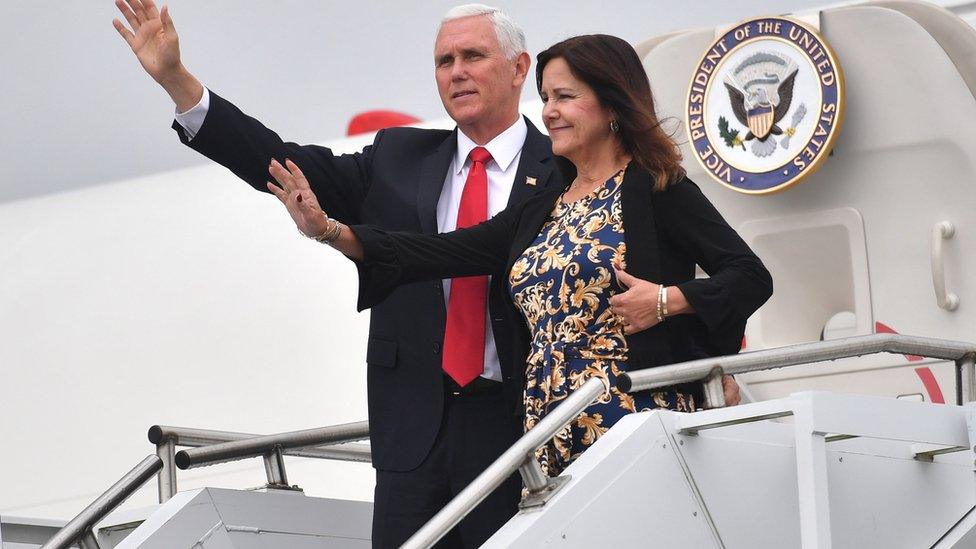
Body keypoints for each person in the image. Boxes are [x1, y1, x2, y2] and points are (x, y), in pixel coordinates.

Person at [113, 1, 740, 544]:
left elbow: (691, 267)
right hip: (412, 430)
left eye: (473, 56)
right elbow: (283, 165)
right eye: (444, 61)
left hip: (525, 425)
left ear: (520, 68)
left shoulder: (569, 171)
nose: (457, 72)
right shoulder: (397, 157)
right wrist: (180, 85)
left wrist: (701, 346)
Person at [268, 34, 772, 479]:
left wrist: (666, 300)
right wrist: (331, 232)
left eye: (566, 97)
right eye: (546, 97)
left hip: (635, 425)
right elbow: (437, 252)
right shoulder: (542, 207)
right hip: (548, 437)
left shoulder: (656, 187)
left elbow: (750, 276)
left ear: (612, 105)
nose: (548, 111)